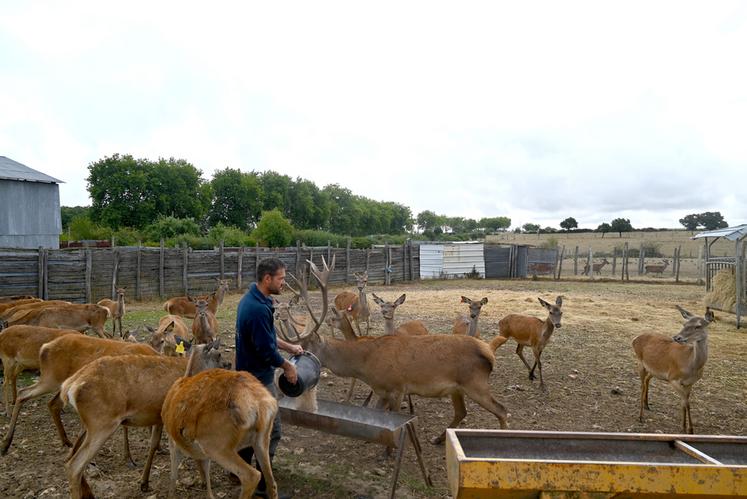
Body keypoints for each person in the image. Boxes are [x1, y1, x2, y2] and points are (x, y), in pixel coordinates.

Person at [235, 257, 302, 499]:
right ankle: (263, 486)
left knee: (245, 427)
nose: (283, 283)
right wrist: (288, 367)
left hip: (245, 376)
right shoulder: (256, 309)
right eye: (281, 278)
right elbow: (265, 350)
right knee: (271, 431)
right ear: (267, 279)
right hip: (258, 382)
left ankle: (239, 471)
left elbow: (267, 335)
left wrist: (290, 347)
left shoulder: (252, 299)